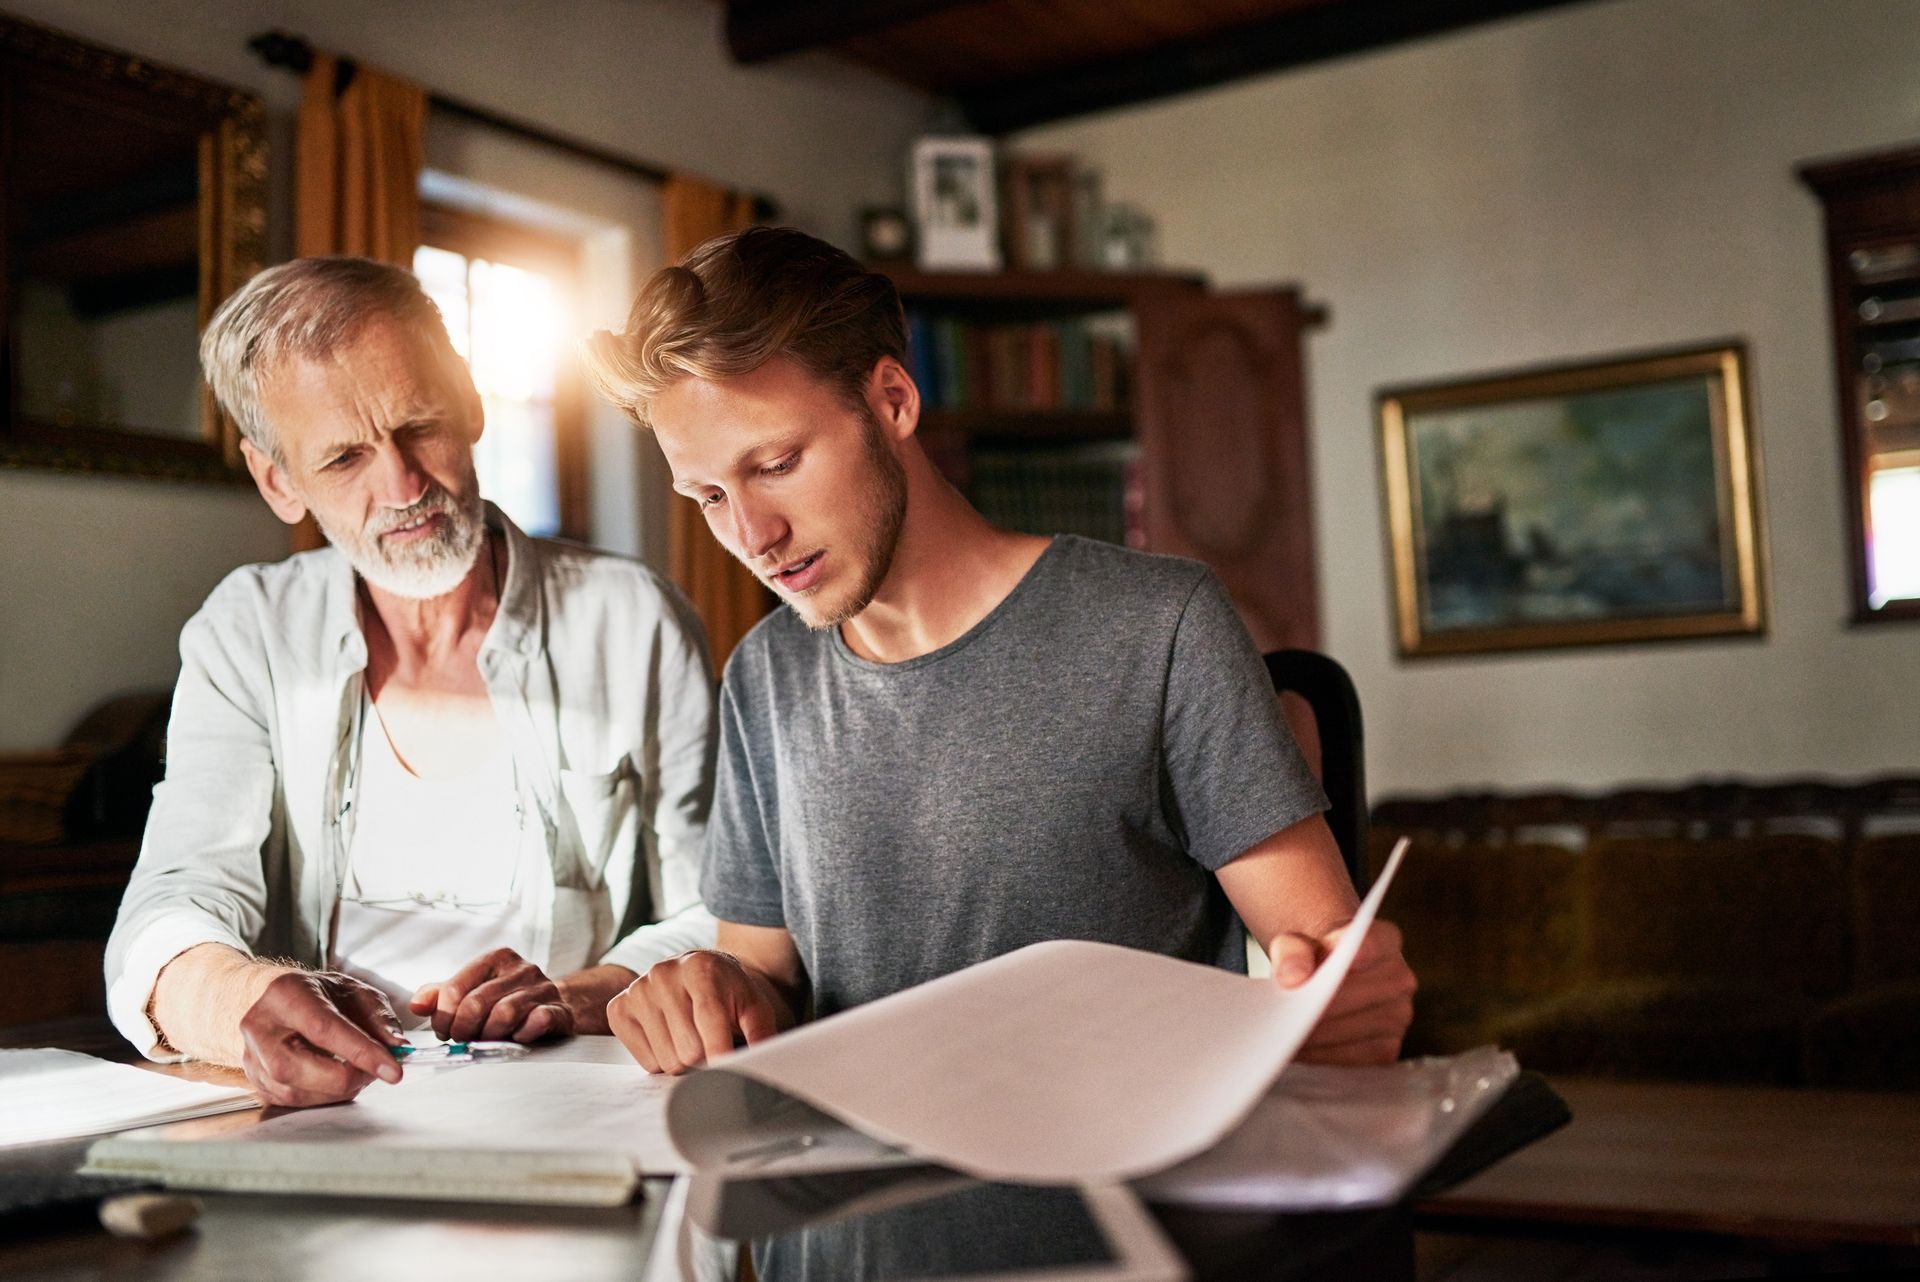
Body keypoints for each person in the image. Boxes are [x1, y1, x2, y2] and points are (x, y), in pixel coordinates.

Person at [583, 228, 1415, 1075]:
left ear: (894, 400)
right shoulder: (764, 675)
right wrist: (706, 994)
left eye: (778, 463)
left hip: (1107, 1197)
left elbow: (1322, 964)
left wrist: (1344, 1002)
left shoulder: (1158, 626)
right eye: (710, 495)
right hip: (836, 1192)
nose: (752, 535)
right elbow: (769, 982)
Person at [104, 257, 717, 1107]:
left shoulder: (634, 620)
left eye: (418, 424)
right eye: (345, 457)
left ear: (468, 399)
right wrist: (241, 999)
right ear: (278, 479)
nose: (403, 486)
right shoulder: (249, 631)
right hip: (333, 1116)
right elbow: (167, 912)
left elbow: (722, 915)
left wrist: (579, 993)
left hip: (579, 1100)